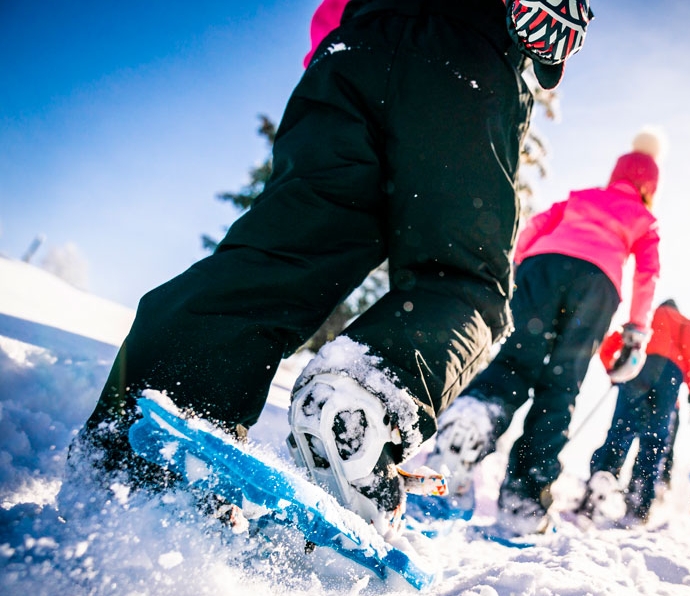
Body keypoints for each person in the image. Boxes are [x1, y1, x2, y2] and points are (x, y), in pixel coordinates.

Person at [60, 0, 594, 537]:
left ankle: (151, 415)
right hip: (462, 62)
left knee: (285, 252)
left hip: (347, 51)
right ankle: (364, 392)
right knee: (459, 279)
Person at [423, 130, 664, 535]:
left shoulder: (580, 198)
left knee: (514, 360)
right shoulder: (643, 218)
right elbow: (648, 273)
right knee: (560, 385)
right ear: (649, 186)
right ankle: (525, 497)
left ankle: (476, 417)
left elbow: (534, 227)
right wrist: (637, 331)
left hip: (544, 266)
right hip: (598, 284)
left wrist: (518, 273)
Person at [581, 298, 690, 525]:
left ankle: (599, 487)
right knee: (654, 442)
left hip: (638, 367)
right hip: (669, 377)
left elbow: (610, 345)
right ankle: (639, 505)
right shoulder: (685, 324)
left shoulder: (645, 318)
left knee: (620, 432)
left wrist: (614, 370)